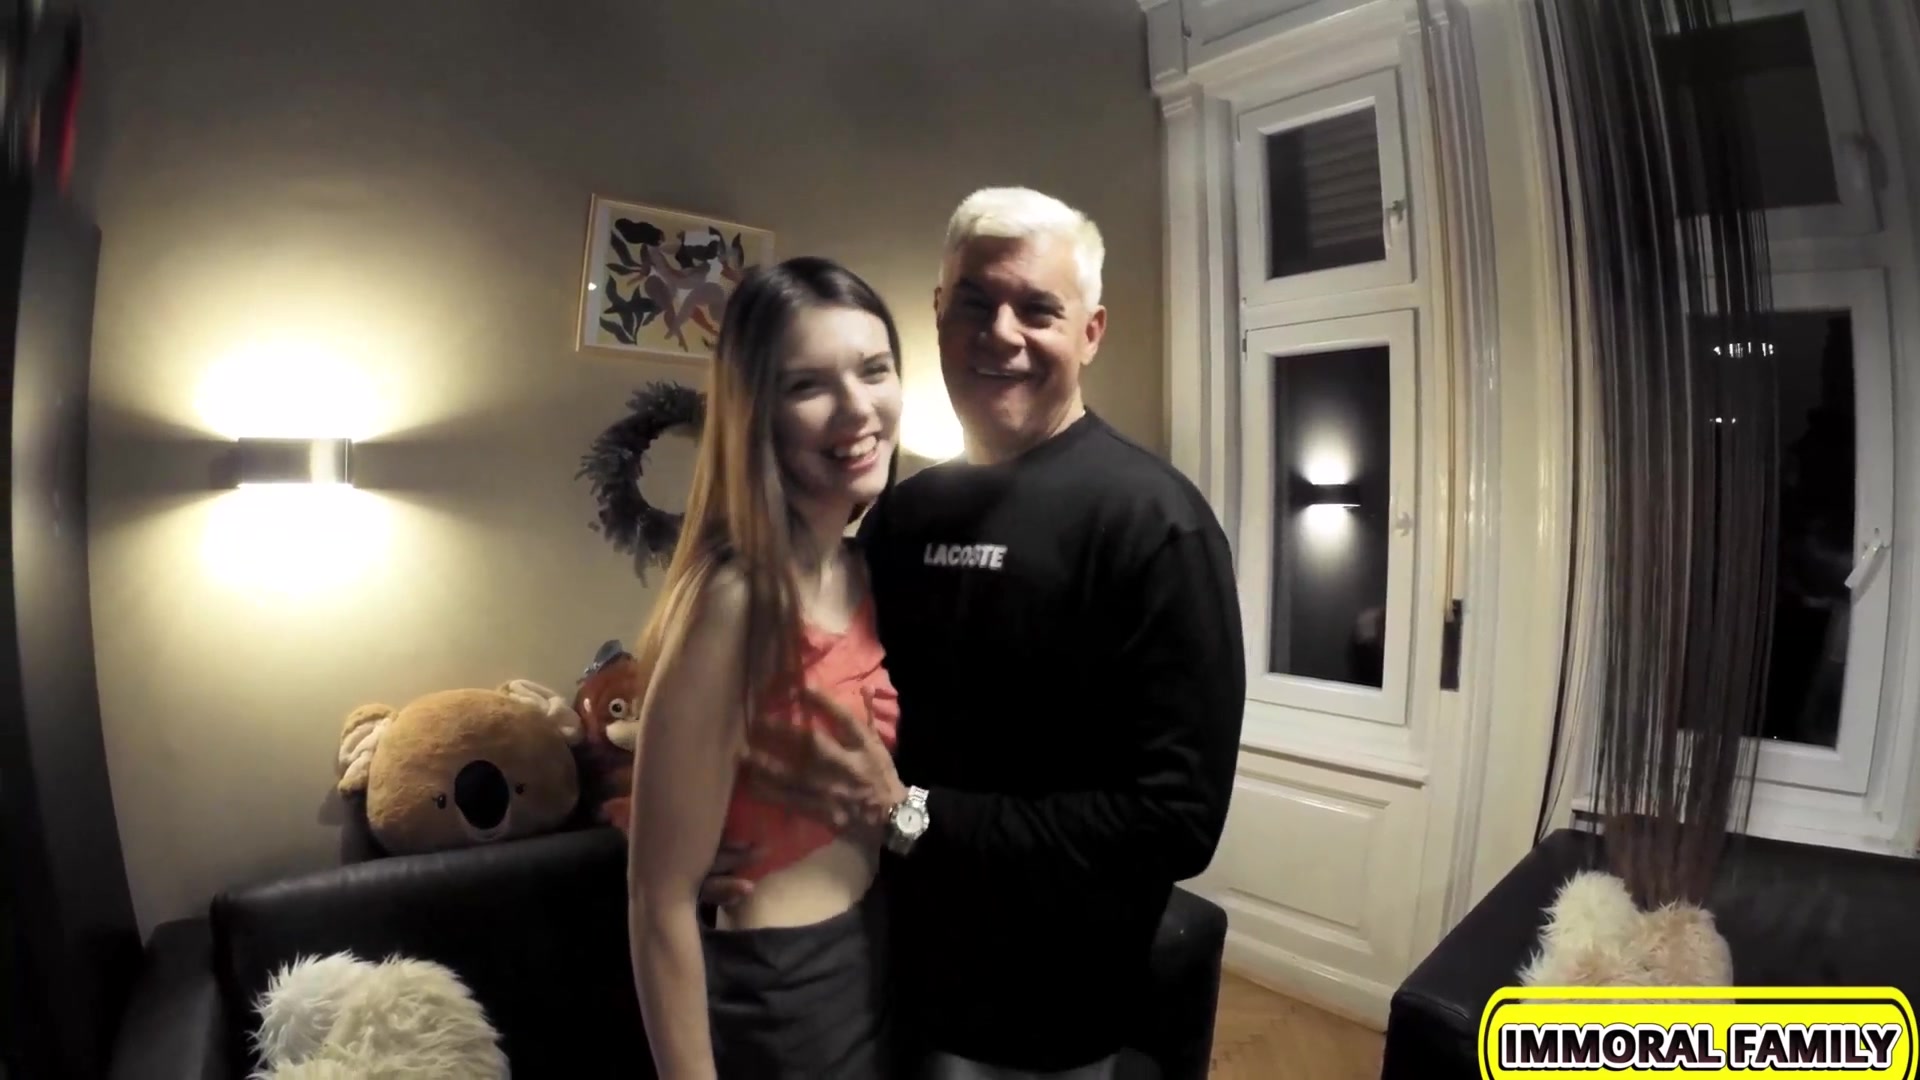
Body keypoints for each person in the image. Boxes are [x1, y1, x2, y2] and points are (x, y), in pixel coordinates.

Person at [711, 187, 1247, 1079]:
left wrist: (910, 815)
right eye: (975, 303)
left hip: (1042, 1021)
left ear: (1091, 332)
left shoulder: (1157, 526)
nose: (1001, 333)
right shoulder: (899, 515)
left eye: (1038, 309)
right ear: (938, 315)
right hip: (871, 979)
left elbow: (1175, 823)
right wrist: (730, 840)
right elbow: (836, 711)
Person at [624, 255, 911, 1080]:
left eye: (874, 369)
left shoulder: (863, 569)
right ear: (758, 415)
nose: (857, 408)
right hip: (786, 987)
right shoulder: (736, 597)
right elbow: (658, 900)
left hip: (879, 952)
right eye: (808, 385)